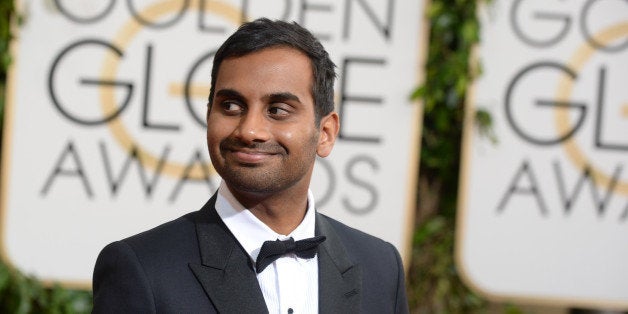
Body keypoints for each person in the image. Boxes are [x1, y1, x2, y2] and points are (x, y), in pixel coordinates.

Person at [92, 18, 409, 314]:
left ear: (325, 134)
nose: (249, 130)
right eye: (230, 106)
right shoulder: (143, 268)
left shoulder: (381, 268)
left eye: (278, 110)